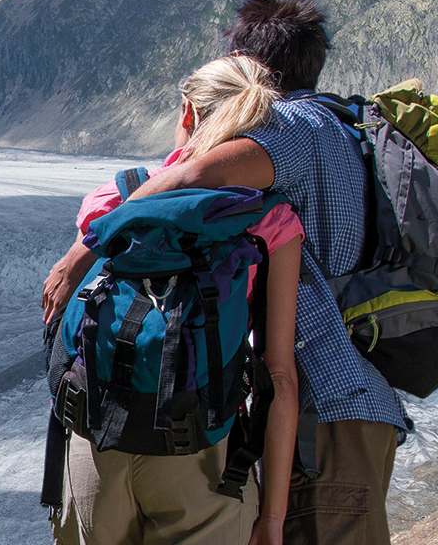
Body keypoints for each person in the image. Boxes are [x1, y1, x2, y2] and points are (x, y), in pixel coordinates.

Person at [43, 0, 410, 545]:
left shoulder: (284, 128)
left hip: (313, 420)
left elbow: (189, 176)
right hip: (328, 410)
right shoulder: (338, 132)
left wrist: (81, 253)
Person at [47, 55, 303, 545]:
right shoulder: (269, 222)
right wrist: (272, 517)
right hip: (201, 455)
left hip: (96, 444)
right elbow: (280, 378)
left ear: (187, 112)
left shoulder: (113, 199)